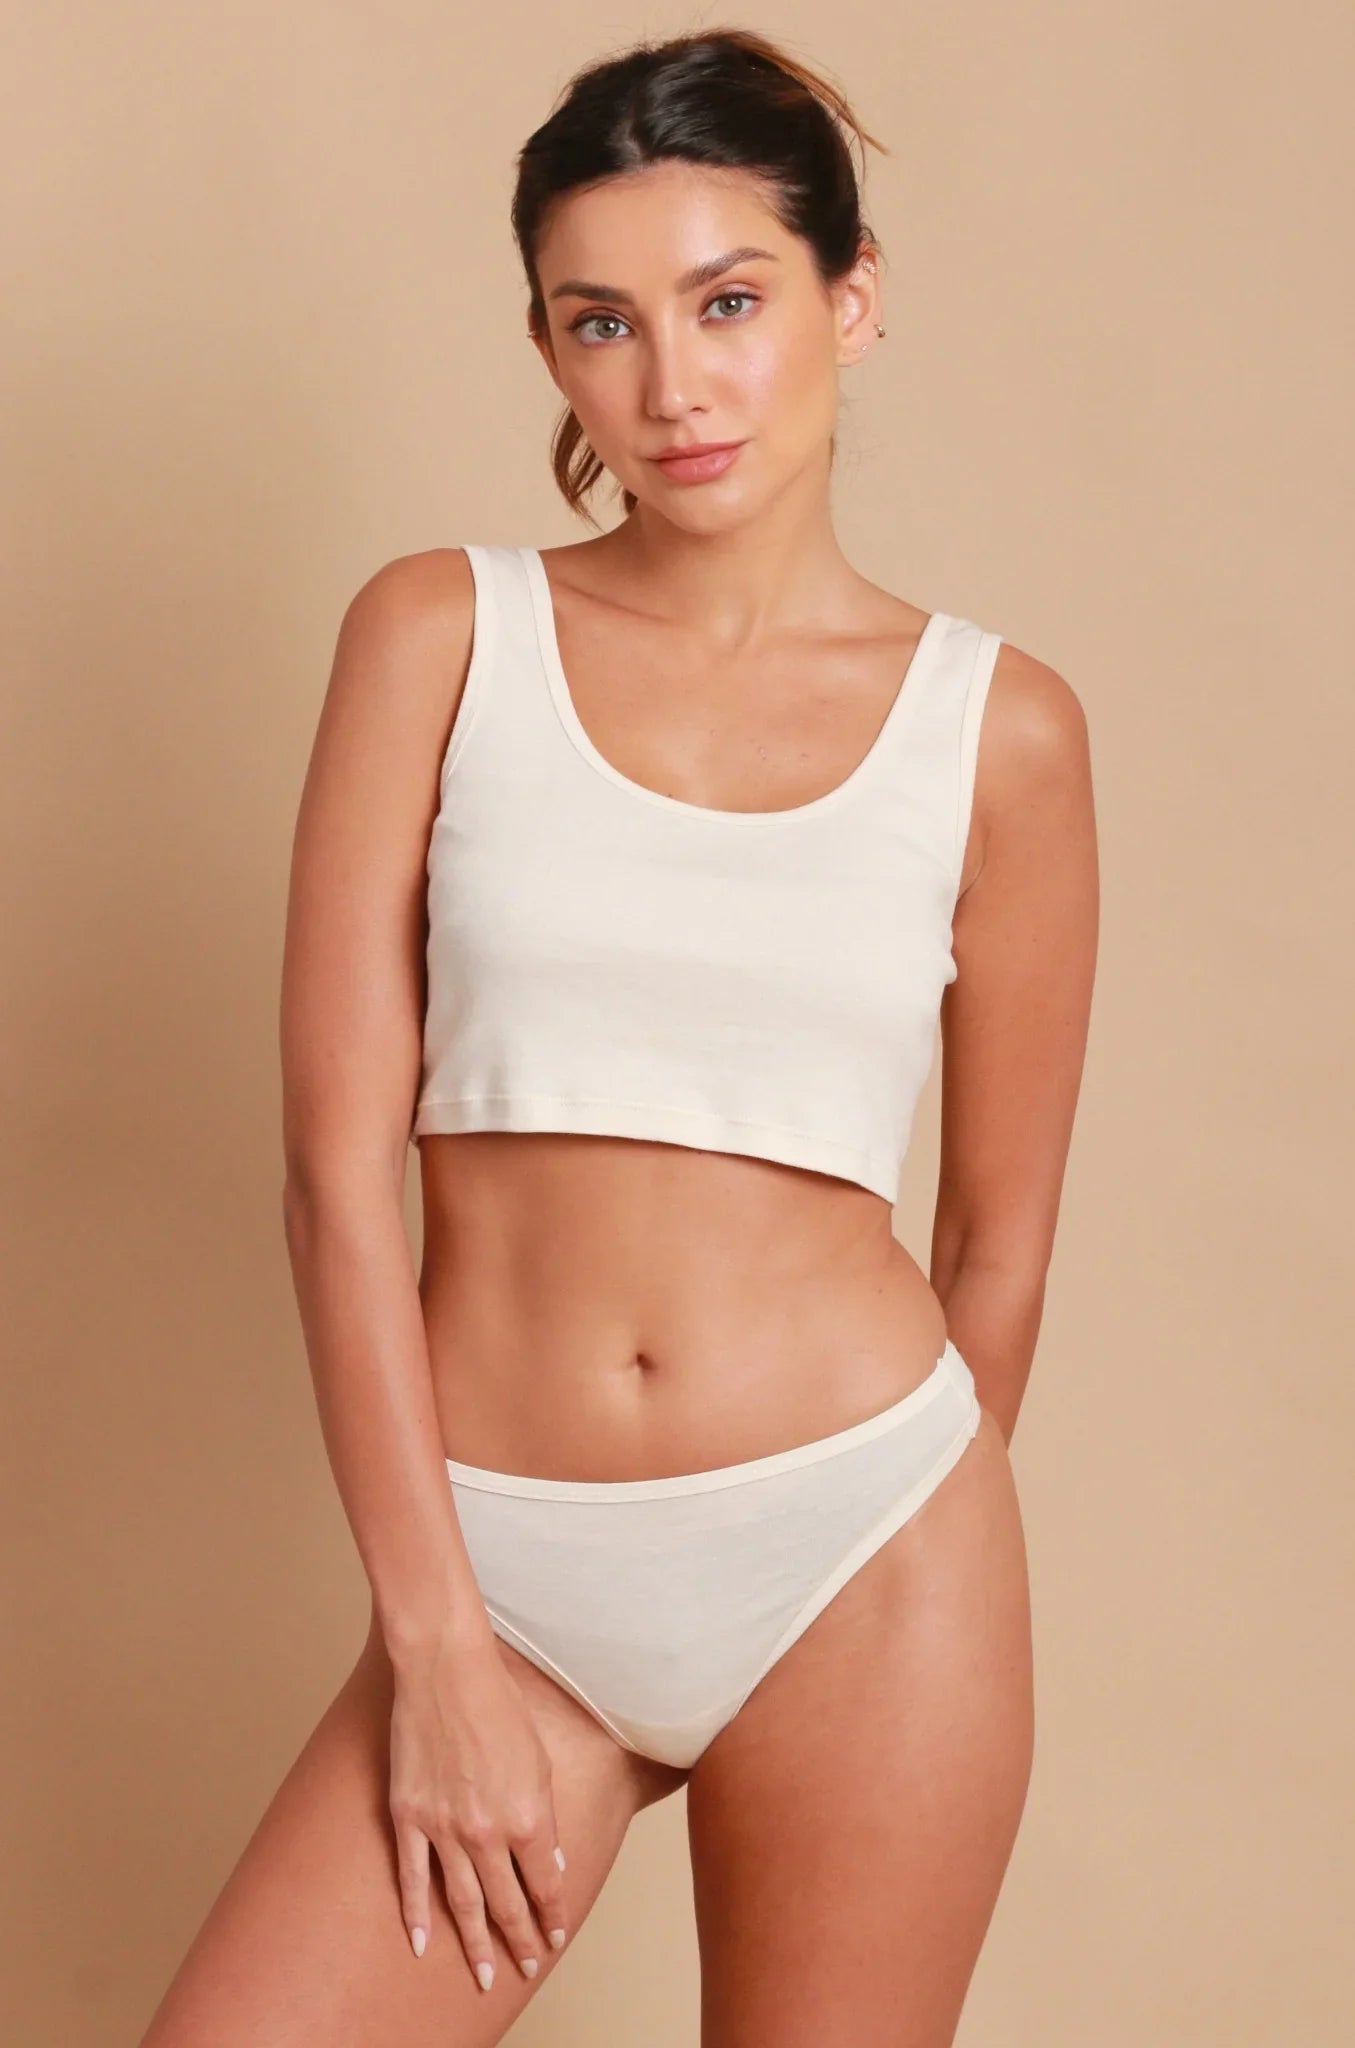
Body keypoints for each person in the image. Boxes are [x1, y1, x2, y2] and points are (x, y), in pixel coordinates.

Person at [138, 25, 1098, 2048]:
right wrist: (440, 1642)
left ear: (850, 296)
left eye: (728, 302)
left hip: (868, 1555)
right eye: (604, 323)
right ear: (551, 350)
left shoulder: (999, 733)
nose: (673, 385)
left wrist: (855, 1542)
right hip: (499, 1571)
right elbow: (334, 1177)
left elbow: (999, 1239)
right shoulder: (437, 636)